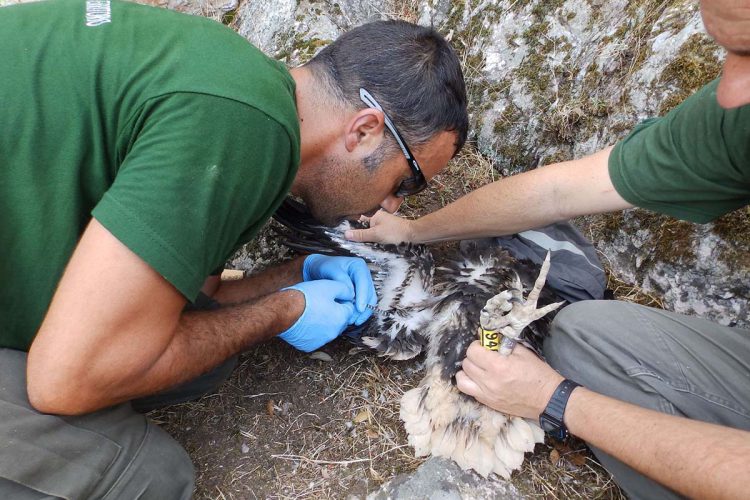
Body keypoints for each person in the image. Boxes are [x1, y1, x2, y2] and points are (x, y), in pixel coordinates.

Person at [0, 0, 468, 497]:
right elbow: (63, 381)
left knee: (200, 361)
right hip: (60, 363)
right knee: (150, 476)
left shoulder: (244, 92)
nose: (393, 206)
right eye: (407, 182)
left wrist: (295, 275)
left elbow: (189, 305)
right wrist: (283, 311)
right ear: (365, 130)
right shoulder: (239, 129)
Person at [345, 0, 750, 497]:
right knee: (586, 334)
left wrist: (555, 401)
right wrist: (415, 230)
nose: (729, 90)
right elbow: (555, 193)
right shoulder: (739, 114)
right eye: (729, 51)